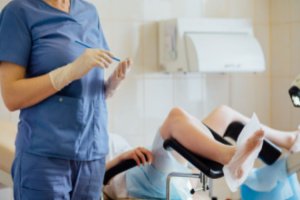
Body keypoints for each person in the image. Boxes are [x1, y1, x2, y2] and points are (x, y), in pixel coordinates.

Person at [0, 0, 131, 199]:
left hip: (92, 156)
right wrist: (69, 72)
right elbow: (11, 96)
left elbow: (86, 91)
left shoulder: (89, 12)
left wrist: (111, 85)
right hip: (45, 158)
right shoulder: (19, 12)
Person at [104, 106, 300, 199]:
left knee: (224, 114)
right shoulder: (86, 149)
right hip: (139, 182)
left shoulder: (100, 136)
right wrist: (121, 158)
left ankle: (288, 139)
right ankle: (230, 156)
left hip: (167, 177)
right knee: (174, 118)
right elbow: (87, 182)